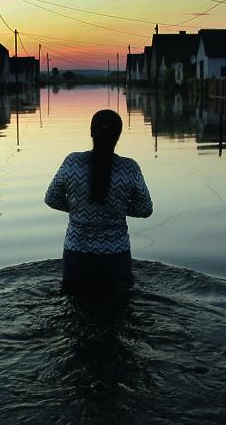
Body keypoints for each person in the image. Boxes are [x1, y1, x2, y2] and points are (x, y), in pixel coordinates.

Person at [45, 109, 153, 290]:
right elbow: (145, 209)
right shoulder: (129, 168)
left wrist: (77, 207)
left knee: (75, 312)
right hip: (116, 257)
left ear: (91, 132)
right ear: (118, 136)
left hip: (77, 255)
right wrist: (118, 208)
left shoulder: (72, 163)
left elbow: (51, 198)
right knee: (117, 313)